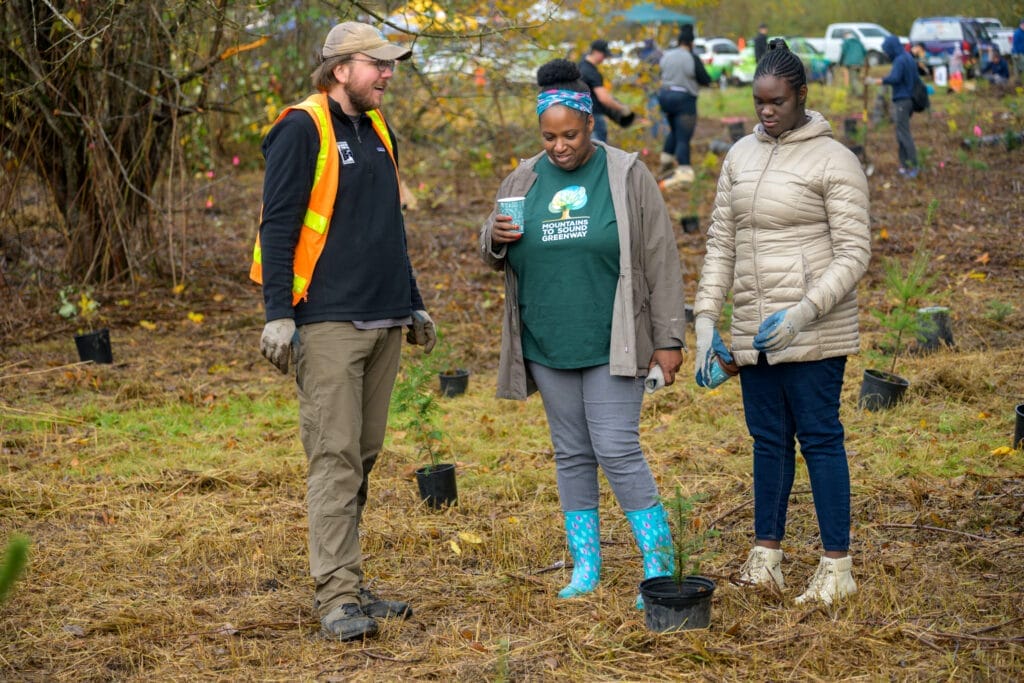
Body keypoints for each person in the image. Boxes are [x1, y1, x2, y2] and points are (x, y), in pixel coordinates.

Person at [251, 21, 436, 641]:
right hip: (326, 322)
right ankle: (335, 598)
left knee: (361, 456)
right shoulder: (301, 128)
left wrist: (412, 302)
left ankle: (350, 580)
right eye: (376, 65)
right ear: (339, 70)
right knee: (333, 460)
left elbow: (388, 226)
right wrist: (279, 312)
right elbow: (276, 226)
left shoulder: (378, 128)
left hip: (384, 319)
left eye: (390, 65)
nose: (388, 74)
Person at [479, 59, 687, 607]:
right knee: (571, 453)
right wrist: (494, 237)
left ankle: (659, 565)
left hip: (612, 337)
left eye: (569, 135)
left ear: (590, 124)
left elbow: (661, 257)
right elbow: (494, 248)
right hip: (548, 339)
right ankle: (585, 566)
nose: (559, 147)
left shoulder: (626, 175)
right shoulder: (523, 178)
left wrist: (669, 338)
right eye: (549, 136)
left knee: (617, 449)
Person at [693, 39, 870, 606]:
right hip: (753, 331)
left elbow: (853, 253)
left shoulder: (833, 159)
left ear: (801, 97)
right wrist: (704, 321)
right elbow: (722, 242)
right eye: (758, 102)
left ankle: (835, 566)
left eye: (776, 102)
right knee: (767, 442)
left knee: (820, 439)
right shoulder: (740, 156)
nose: (766, 112)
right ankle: (766, 556)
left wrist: (802, 313)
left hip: (812, 332)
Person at [657, 23, 712, 187]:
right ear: (691, 43)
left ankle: (665, 161)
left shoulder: (667, 55)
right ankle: (685, 173)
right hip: (684, 100)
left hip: (665, 97)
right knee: (683, 137)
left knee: (675, 130)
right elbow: (705, 79)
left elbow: (662, 74)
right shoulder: (691, 57)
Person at [869, 35, 919, 177]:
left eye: (887, 50)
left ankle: (913, 166)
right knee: (901, 133)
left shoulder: (900, 60)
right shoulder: (908, 57)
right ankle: (904, 165)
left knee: (904, 134)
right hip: (909, 100)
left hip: (902, 100)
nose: (886, 53)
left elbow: (895, 78)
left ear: (892, 47)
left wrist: (876, 81)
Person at [578, 39, 634, 143]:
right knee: (599, 151)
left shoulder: (580, 65)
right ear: (595, 52)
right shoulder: (591, 72)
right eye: (604, 54)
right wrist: (621, 108)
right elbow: (604, 99)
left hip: (579, 114)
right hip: (594, 116)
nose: (604, 58)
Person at [839, 30, 866, 96]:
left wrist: (840, 63)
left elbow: (843, 53)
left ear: (845, 36)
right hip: (860, 62)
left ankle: (859, 93)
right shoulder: (858, 42)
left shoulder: (846, 42)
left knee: (853, 78)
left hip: (850, 63)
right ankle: (854, 93)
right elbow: (865, 52)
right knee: (856, 77)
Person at [1014, 18, 1024, 85]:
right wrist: (1015, 53)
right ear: (1020, 25)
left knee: (1020, 68)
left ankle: (1019, 81)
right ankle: (1017, 82)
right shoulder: (1017, 33)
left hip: (1022, 53)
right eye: (1023, 25)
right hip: (1018, 53)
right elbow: (1015, 43)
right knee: (1018, 68)